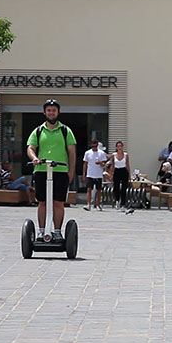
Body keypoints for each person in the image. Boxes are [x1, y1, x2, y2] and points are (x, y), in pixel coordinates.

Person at [26, 99, 76, 241]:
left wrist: (71, 171)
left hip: (60, 171)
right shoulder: (38, 130)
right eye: (49, 110)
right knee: (42, 202)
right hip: (41, 171)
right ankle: (41, 231)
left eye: (53, 110)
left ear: (58, 112)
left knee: (58, 202)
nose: (51, 113)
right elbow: (30, 147)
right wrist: (35, 158)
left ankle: (58, 231)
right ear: (44, 112)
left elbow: (72, 152)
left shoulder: (66, 131)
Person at [83, 139, 108, 211]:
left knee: (99, 190)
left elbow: (104, 164)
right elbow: (85, 164)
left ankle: (98, 204)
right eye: (93, 146)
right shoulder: (87, 153)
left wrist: (100, 163)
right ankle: (88, 204)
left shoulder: (101, 153)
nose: (94, 147)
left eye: (95, 146)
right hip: (90, 174)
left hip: (98, 174)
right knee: (89, 189)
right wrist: (84, 174)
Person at [109, 140, 131, 210]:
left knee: (124, 188)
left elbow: (127, 165)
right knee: (116, 187)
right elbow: (112, 165)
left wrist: (129, 174)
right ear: (116, 147)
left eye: (121, 146)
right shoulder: (114, 155)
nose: (120, 148)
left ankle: (123, 204)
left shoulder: (126, 155)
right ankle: (117, 200)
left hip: (123, 171)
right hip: (117, 171)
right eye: (118, 146)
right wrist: (111, 174)